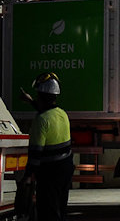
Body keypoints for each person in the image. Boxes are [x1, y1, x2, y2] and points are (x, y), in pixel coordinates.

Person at [21, 72, 74, 221]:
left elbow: (35, 154)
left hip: (50, 172)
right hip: (66, 168)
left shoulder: (40, 120)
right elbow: (46, 110)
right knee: (60, 208)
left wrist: (27, 176)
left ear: (41, 95)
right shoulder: (62, 114)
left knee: (47, 211)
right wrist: (30, 101)